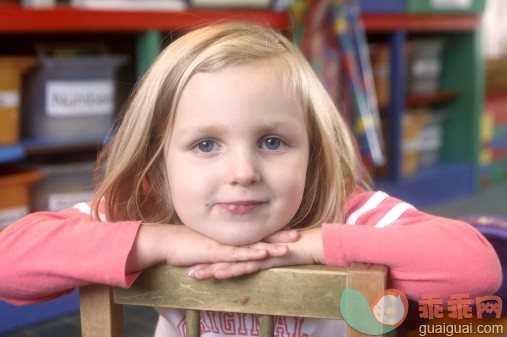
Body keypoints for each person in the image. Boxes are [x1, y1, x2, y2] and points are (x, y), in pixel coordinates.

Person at [0, 22, 501, 337]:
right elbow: (10, 266)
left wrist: (313, 245)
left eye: (272, 142)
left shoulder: (343, 209)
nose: (242, 173)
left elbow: (477, 270)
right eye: (205, 145)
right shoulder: (147, 208)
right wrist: (158, 241)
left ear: (313, 151)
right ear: (158, 161)